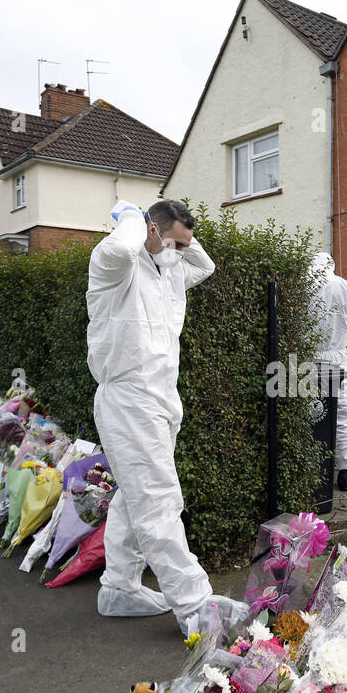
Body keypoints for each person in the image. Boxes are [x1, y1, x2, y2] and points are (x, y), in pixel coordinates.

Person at [88, 198, 244, 636]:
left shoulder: (170, 268)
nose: (180, 252)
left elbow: (206, 264)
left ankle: (119, 587)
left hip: (160, 399)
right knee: (157, 499)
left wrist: (174, 243)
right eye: (173, 242)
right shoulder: (112, 265)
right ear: (150, 231)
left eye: (182, 246)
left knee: (132, 496)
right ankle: (194, 606)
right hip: (127, 399)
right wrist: (134, 219)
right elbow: (122, 249)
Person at [310, 252, 347, 490]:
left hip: (308, 356)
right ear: (331, 265)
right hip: (338, 355)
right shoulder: (344, 285)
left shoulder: (302, 286)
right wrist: (341, 329)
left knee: (312, 414)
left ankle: (313, 469)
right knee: (343, 414)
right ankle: (345, 473)